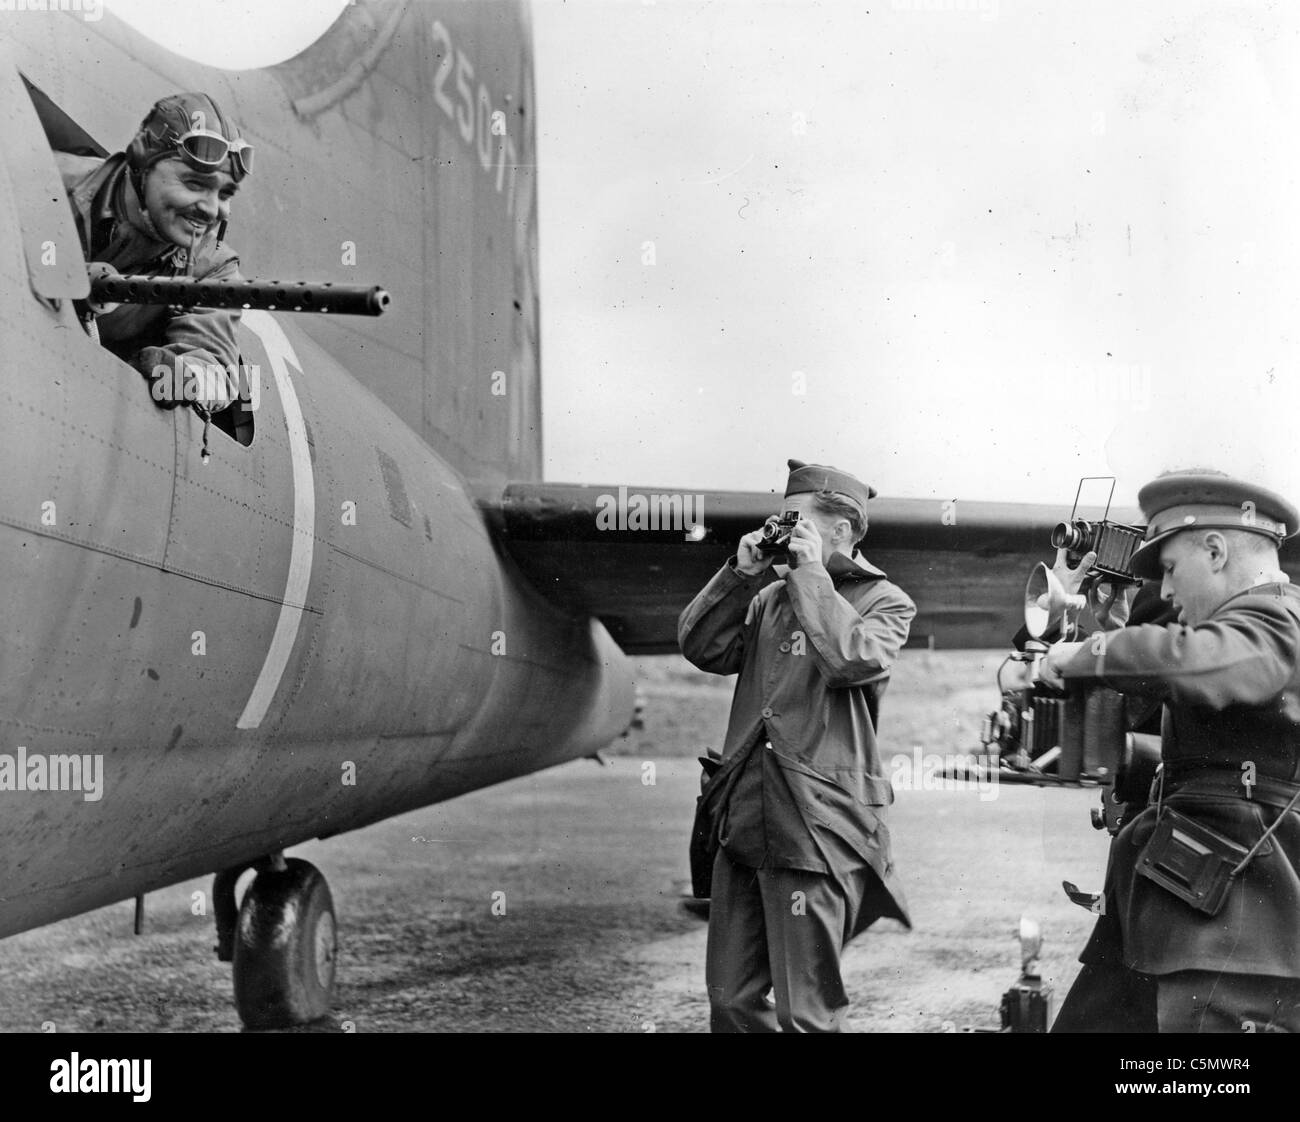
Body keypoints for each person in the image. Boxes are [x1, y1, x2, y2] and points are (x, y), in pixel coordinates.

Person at [1040, 469, 1300, 1032]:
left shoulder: (1279, 620)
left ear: (1214, 550)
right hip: (1178, 907)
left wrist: (1086, 652)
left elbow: (1199, 662)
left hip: (1234, 927)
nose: (1166, 592)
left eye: (1170, 570)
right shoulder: (1244, 627)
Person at [678, 458, 916, 1032]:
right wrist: (740, 574)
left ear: (841, 530)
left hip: (815, 826)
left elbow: (850, 659)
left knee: (803, 1011)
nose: (782, 529)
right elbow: (702, 647)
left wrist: (811, 577)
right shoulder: (770, 598)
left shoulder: (887, 602)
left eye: (797, 520)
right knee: (731, 1001)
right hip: (745, 816)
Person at [58, 91, 252, 414]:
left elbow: (218, 368)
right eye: (194, 184)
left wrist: (183, 376)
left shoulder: (214, 266)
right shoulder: (50, 183)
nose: (212, 209)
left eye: (225, 193)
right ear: (142, 165)